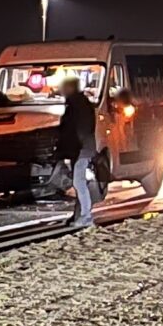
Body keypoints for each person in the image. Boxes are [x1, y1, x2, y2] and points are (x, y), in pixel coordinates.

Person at [57, 79, 100, 227]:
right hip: (81, 148)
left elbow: (77, 128)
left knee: (79, 182)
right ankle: (82, 215)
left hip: (82, 148)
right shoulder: (80, 103)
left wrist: (75, 144)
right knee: (79, 182)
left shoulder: (77, 105)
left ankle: (86, 217)